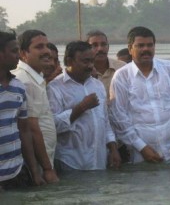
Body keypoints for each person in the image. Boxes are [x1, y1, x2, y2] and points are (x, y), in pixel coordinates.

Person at [109, 26, 170, 163]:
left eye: (150, 45)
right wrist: (141, 147)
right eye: (140, 46)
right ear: (130, 48)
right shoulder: (121, 76)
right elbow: (119, 116)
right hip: (142, 156)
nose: (145, 49)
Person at [47, 41, 121, 171]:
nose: (91, 66)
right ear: (70, 61)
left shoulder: (97, 85)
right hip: (70, 163)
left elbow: (105, 122)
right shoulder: (55, 88)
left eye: (92, 61)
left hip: (99, 161)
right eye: (85, 61)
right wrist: (81, 108)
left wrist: (113, 149)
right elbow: (52, 126)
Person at [12, 30, 59, 183]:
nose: (47, 51)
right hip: (36, 165)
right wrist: (47, 169)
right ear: (23, 53)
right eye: (39, 47)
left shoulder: (34, 78)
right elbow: (32, 128)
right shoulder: (26, 80)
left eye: (46, 46)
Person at [0, 31, 44, 189]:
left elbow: (24, 130)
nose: (18, 55)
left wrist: (34, 170)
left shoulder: (18, 87)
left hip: (17, 172)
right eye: (13, 51)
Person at [86, 30, 126, 99]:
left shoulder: (122, 67)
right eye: (94, 45)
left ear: (108, 47)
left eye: (103, 44)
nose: (100, 49)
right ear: (87, 49)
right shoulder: (83, 71)